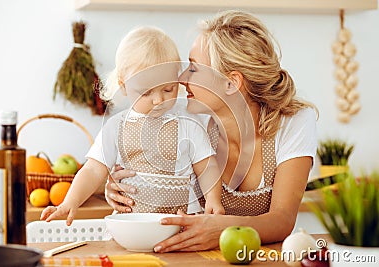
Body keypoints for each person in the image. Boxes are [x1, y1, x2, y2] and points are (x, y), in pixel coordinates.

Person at [104, 10, 318, 252]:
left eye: (193, 68)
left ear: (230, 83)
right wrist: (120, 189)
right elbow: (141, 159)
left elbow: (283, 220)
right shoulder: (188, 120)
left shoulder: (292, 123)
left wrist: (221, 230)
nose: (181, 77)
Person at [40, 26, 224, 226]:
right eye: (146, 93)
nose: (158, 100)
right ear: (123, 85)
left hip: (180, 227)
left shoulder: (189, 124)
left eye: (168, 89)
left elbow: (207, 166)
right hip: (130, 224)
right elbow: (93, 170)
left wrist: (213, 200)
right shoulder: (116, 127)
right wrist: (70, 202)